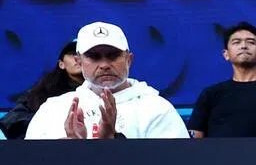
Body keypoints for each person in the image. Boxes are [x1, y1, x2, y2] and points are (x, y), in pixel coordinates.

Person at [25, 22, 189, 139]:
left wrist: (112, 145)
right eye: (94, 57)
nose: (104, 65)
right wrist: (71, 151)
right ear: (79, 62)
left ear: (129, 60)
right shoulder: (53, 110)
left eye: (113, 55)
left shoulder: (158, 109)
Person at [188, 22, 256, 138]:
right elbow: (194, 137)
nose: (243, 46)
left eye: (251, 42)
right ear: (226, 54)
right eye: (236, 42)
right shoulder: (211, 94)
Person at [0, 39, 82, 139]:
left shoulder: (98, 90)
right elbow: (12, 120)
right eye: (73, 54)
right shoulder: (45, 89)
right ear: (61, 64)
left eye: (84, 55)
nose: (78, 59)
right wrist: (47, 124)